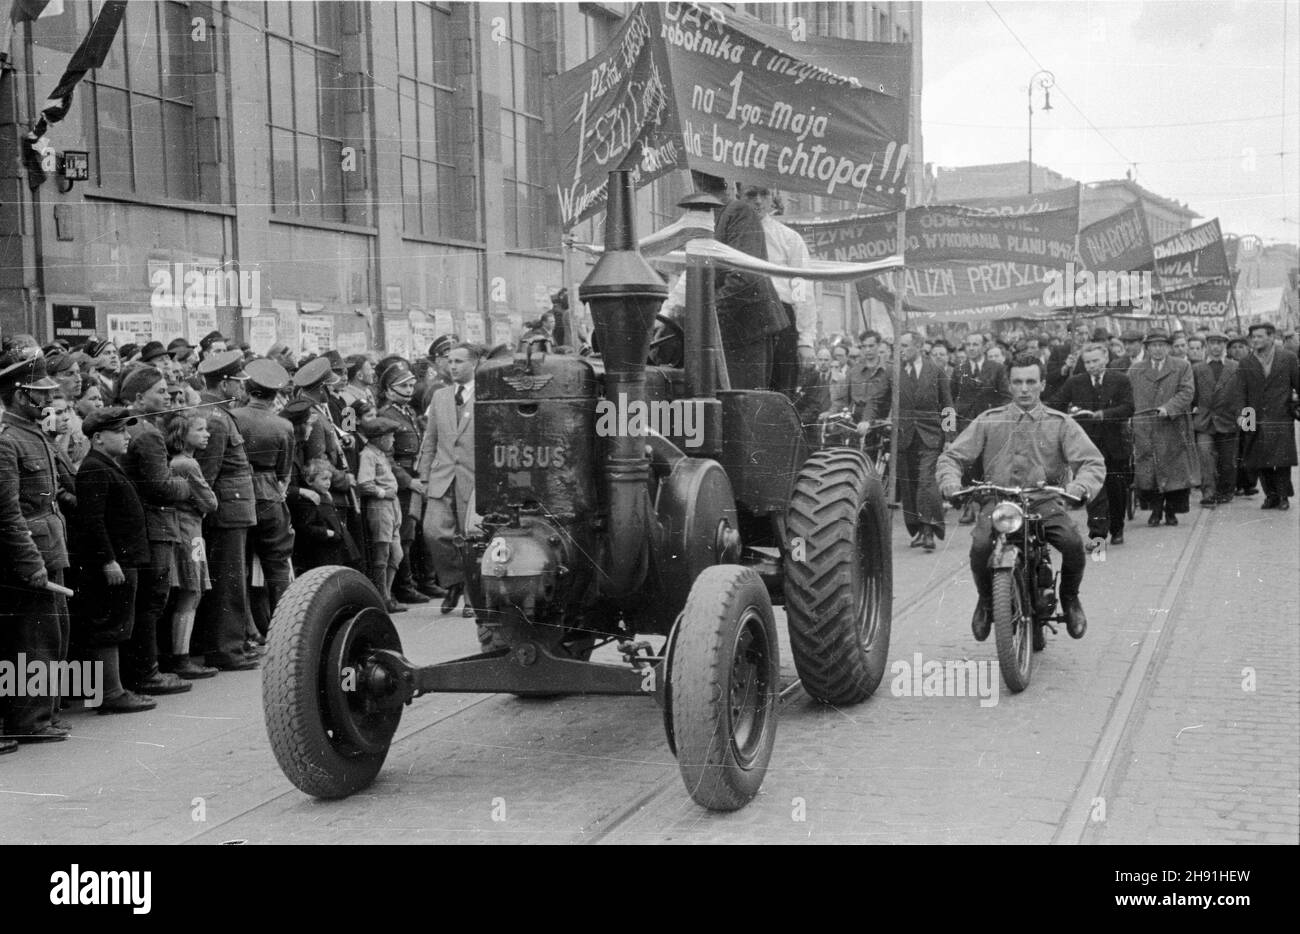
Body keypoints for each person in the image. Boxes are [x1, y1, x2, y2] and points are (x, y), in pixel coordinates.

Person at [937, 354, 1105, 642]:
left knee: (1073, 544)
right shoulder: (989, 420)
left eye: (1030, 382)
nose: (1024, 389)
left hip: (1044, 501)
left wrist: (1078, 488)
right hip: (999, 502)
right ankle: (987, 601)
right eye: (1017, 382)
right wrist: (951, 483)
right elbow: (952, 456)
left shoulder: (1060, 423)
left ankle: (1071, 599)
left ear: (1041, 384)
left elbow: (1092, 462)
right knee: (979, 547)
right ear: (1010, 385)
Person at [0, 353, 73, 746]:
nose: (45, 400)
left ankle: (42, 713)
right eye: (37, 393)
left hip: (49, 546)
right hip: (30, 554)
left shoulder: (32, 433)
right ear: (17, 395)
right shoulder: (7, 441)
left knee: (52, 635)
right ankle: (28, 717)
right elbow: (7, 512)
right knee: (33, 641)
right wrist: (30, 562)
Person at [71, 407, 157, 713]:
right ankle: (111, 693)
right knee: (110, 625)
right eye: (119, 431)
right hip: (113, 563)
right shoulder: (96, 468)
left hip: (123, 559)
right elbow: (92, 521)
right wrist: (108, 560)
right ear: (97, 438)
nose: (127, 436)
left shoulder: (105, 464)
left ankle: (113, 689)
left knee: (117, 623)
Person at [115, 366, 195, 696]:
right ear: (138, 397)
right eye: (160, 392)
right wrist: (186, 487)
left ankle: (145, 670)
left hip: (139, 524)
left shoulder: (129, 427)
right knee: (152, 600)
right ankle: (147, 672)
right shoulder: (146, 433)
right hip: (155, 524)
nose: (168, 397)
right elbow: (160, 486)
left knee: (146, 601)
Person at [193, 350, 260, 671]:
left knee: (233, 578)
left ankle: (234, 643)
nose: (242, 388)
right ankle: (226, 648)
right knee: (228, 581)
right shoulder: (216, 419)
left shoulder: (217, 413)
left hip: (232, 509)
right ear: (224, 383)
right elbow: (208, 474)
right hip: (226, 511)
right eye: (238, 382)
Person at [698, 174, 788, 390]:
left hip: (747, 330)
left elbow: (745, 276)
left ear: (696, 183)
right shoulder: (706, 218)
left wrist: (705, 316)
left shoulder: (738, 212)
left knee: (742, 408)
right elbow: (693, 277)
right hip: (728, 330)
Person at [230, 358, 296, 644]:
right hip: (269, 493)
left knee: (239, 564)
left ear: (248, 388)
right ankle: (283, 627)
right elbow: (284, 469)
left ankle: (248, 630)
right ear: (275, 394)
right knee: (277, 563)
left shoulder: (234, 416)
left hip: (238, 494)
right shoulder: (283, 425)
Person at [1047, 343, 1135, 544]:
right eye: (1087, 362)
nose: (1091, 366)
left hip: (1115, 446)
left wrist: (1105, 414)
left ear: (1105, 358)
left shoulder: (1120, 380)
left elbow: (1129, 407)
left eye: (1095, 361)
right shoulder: (1075, 382)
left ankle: (1117, 528)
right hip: (1086, 447)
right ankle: (1098, 536)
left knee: (1115, 490)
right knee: (1094, 492)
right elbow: (1056, 403)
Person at [870, 331, 951, 551]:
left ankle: (928, 530)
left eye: (905, 346)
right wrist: (866, 420)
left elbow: (947, 407)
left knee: (926, 481)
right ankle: (916, 529)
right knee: (909, 485)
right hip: (904, 436)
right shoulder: (892, 372)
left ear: (918, 346)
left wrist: (950, 438)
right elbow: (877, 400)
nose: (900, 350)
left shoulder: (936, 371)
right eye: (898, 346)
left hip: (930, 435)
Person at [416, 342, 479, 618]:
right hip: (442, 476)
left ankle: (471, 594)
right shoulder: (440, 397)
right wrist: (424, 476)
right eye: (450, 361)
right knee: (433, 532)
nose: (452, 366)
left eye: (459, 361)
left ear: (474, 363)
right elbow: (429, 441)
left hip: (474, 479)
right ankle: (454, 581)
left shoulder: (486, 394)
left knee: (472, 538)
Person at [161, 410, 218, 678]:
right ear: (183, 436)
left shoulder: (177, 463)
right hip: (189, 530)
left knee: (188, 591)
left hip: (185, 528)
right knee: (191, 590)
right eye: (200, 430)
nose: (206, 434)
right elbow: (210, 502)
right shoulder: (187, 465)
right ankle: (181, 658)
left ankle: (179, 655)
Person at [743, 185, 816, 395]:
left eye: (763, 194)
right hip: (742, 318)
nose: (758, 201)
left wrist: (805, 340)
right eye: (751, 194)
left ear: (772, 197)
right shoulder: (729, 234)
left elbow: (802, 289)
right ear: (739, 196)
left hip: (780, 319)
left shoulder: (788, 238)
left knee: (781, 389)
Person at [376, 360, 435, 603]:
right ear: (389, 390)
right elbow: (387, 456)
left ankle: (426, 582)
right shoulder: (385, 415)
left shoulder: (407, 412)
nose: (410, 390)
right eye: (403, 386)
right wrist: (408, 482)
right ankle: (405, 587)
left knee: (420, 533)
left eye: (411, 385)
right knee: (406, 536)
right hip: (403, 481)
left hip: (417, 476)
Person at [1129, 329, 1197, 526]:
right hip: (1146, 427)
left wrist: (1169, 408)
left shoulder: (1182, 366)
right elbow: (1128, 396)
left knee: (1173, 469)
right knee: (1149, 469)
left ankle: (1171, 511)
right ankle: (1155, 510)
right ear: (1147, 348)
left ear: (1168, 347)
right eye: (1153, 345)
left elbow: (1187, 392)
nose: (1157, 349)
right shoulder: (1135, 370)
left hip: (1172, 425)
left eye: (1161, 345)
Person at [951, 332, 1011, 525]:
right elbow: (950, 399)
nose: (971, 348)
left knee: (990, 463)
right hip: (966, 424)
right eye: (968, 344)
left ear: (984, 347)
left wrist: (1001, 417)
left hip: (991, 422)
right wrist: (950, 429)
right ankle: (970, 505)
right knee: (968, 464)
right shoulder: (959, 369)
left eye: (975, 344)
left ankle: (992, 505)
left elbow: (1006, 396)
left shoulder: (996, 368)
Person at [1239, 322, 1300, 510]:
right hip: (1253, 417)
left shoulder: (1287, 358)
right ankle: (1270, 495)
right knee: (1259, 459)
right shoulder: (1246, 362)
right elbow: (1241, 393)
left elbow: (1298, 384)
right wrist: (1243, 417)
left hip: (1280, 416)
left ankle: (1283, 496)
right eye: (1253, 337)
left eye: (1260, 336)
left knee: (1282, 460)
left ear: (1271, 337)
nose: (1256, 340)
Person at [1190, 331, 1245, 507]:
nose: (1216, 347)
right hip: (1205, 421)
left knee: (1228, 460)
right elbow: (1192, 396)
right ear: (1207, 345)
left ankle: (1226, 490)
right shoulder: (1197, 369)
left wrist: (1244, 421)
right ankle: (1208, 493)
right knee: (1205, 456)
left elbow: (1242, 395)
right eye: (1212, 343)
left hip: (1228, 420)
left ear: (1224, 346)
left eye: (1220, 343)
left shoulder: (1235, 367)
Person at [356, 417, 405, 612]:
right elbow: (364, 483)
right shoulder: (368, 455)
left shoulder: (380, 453)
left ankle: (386, 593)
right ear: (380, 438)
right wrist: (383, 493)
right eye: (390, 437)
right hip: (380, 506)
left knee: (396, 554)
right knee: (382, 554)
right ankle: (381, 598)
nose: (393, 441)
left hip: (391, 506)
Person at [290, 457, 361, 572]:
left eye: (330, 479)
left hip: (337, 548)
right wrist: (328, 533)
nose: (328, 483)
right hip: (324, 551)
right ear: (309, 480)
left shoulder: (326, 496)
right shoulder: (309, 500)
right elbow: (306, 527)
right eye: (324, 479)